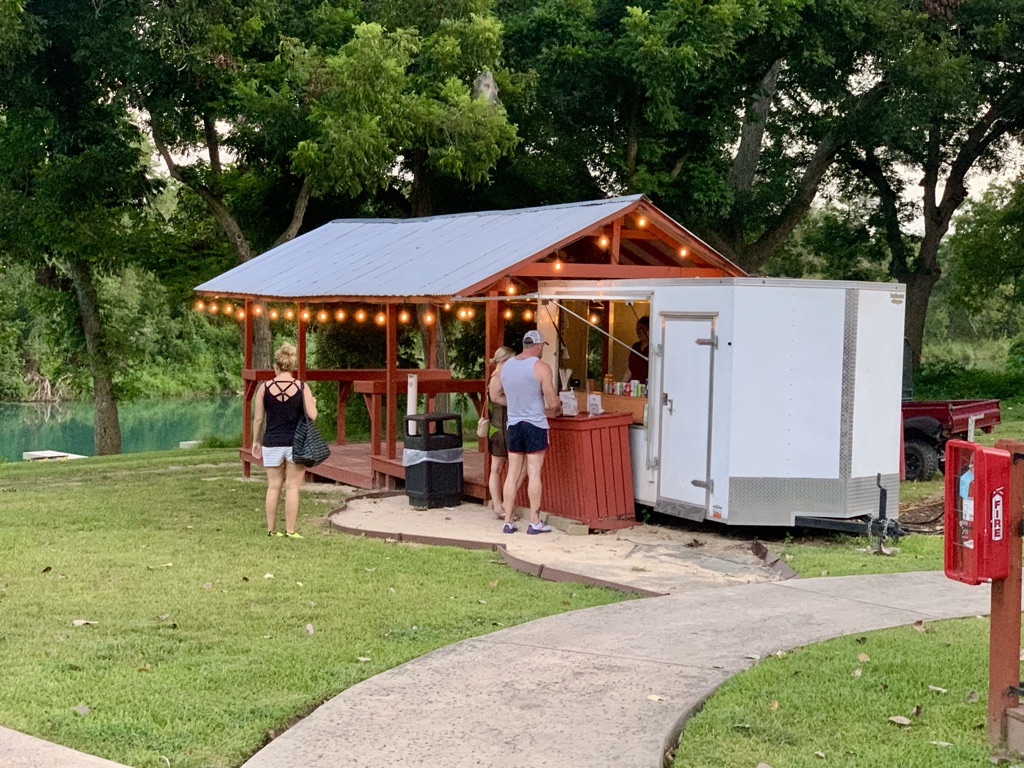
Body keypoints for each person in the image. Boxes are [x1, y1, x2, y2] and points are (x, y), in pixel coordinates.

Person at [490, 330, 561, 534]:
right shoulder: (541, 367)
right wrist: (557, 407)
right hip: (535, 424)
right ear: (538, 346)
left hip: (514, 423)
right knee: (534, 472)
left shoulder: (508, 365)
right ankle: (534, 521)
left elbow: (495, 394)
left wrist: (512, 402)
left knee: (512, 473)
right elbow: (551, 399)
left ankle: (508, 520)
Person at [251, 342, 318, 539]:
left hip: (271, 441)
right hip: (295, 443)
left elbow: (258, 419)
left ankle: (271, 530)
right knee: (292, 487)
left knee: (273, 486)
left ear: (276, 366)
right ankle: (290, 530)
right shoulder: (301, 387)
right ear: (292, 366)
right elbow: (312, 415)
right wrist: (313, 403)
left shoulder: (264, 388)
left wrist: (256, 441)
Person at [485, 346, 515, 520]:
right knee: (497, 467)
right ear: (504, 360)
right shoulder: (497, 377)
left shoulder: (503, 376)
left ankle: (504, 503)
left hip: (503, 423)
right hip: (499, 425)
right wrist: (515, 401)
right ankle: (498, 504)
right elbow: (496, 398)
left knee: (506, 466)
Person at [624, 316, 650, 384]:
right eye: (637, 330)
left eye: (641, 329)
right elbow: (630, 369)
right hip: (634, 386)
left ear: (648, 331)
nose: (639, 333)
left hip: (647, 387)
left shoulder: (652, 349)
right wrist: (623, 384)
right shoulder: (635, 346)